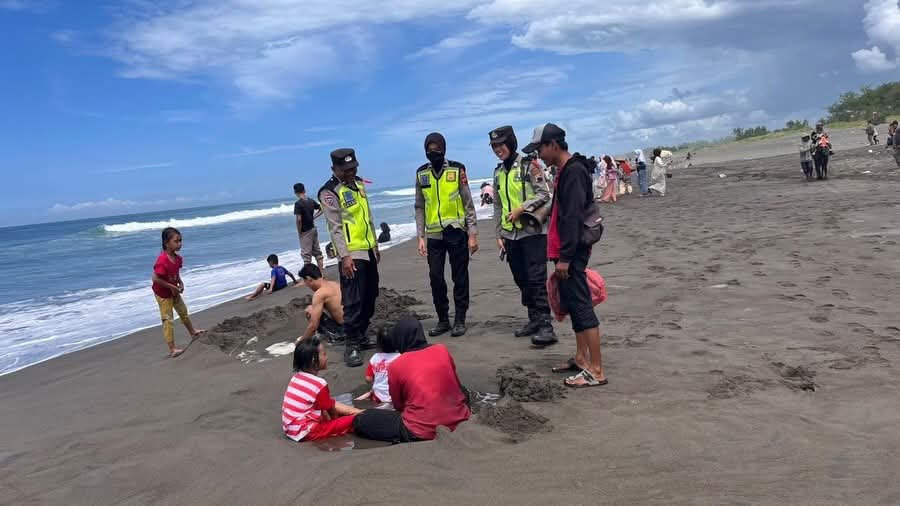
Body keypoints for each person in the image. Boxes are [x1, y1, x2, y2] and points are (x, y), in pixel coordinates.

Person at [523, 123, 606, 387]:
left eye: (540, 149)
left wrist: (566, 258)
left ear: (554, 145)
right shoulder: (565, 171)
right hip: (565, 251)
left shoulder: (573, 172)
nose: (538, 155)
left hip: (571, 252)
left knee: (581, 307)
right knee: (572, 305)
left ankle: (596, 370)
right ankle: (582, 359)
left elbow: (572, 218)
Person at [488, 125, 556, 346]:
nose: (498, 149)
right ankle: (533, 319)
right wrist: (498, 233)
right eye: (494, 146)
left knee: (536, 279)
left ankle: (546, 325)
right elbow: (497, 205)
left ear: (511, 143)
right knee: (521, 279)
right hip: (510, 236)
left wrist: (522, 209)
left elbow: (544, 193)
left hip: (532, 231)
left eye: (501, 145)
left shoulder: (529, 165)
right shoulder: (498, 172)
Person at [352, 318, 470, 442]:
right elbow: (456, 386)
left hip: (419, 430)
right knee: (463, 390)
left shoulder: (396, 365)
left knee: (361, 420)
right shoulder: (442, 349)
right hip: (459, 421)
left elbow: (398, 405)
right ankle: (456, 416)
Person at [319, 148, 381, 367]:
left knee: (370, 295)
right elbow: (335, 228)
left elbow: (367, 216)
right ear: (334, 169)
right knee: (353, 301)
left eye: (353, 168)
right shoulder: (329, 192)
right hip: (351, 254)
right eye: (345, 170)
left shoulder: (359, 184)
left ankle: (362, 334)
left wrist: (375, 244)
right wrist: (344, 257)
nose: (350, 172)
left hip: (367, 248)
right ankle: (352, 344)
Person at [414, 132, 478, 337]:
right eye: (429, 150)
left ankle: (460, 319)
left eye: (437, 149)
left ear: (444, 148)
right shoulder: (421, 174)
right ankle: (443, 319)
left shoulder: (457, 169)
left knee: (459, 276)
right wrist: (420, 236)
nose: (433, 153)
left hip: (457, 231)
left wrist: (473, 233)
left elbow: (468, 203)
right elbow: (419, 206)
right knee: (435, 277)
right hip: (433, 235)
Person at [281, 336, 363, 442]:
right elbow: (330, 409)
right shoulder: (319, 384)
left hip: (290, 428)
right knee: (353, 420)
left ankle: (356, 412)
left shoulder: (296, 378)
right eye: (324, 354)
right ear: (314, 360)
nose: (327, 357)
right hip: (306, 431)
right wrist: (337, 422)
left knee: (328, 406)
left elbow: (325, 405)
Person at [151, 227, 206, 358]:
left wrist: (180, 283)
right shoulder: (162, 260)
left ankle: (193, 332)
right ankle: (172, 349)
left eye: (180, 241)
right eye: (176, 241)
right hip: (163, 294)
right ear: (166, 243)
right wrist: (171, 286)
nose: (180, 244)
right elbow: (155, 278)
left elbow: (175, 273)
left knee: (183, 312)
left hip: (173, 291)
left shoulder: (177, 258)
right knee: (168, 320)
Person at [297, 264, 346, 342]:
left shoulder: (319, 293)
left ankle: (334, 336)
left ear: (309, 279)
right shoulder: (334, 284)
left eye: (306, 283)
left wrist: (302, 340)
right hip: (354, 322)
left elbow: (313, 325)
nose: (307, 286)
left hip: (345, 330)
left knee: (310, 310)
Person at [354, 327, 401, 404]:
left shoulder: (375, 358)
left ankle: (370, 395)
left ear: (378, 343)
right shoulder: (400, 357)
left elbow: (368, 379)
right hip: (395, 396)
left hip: (378, 395)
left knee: (374, 391)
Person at [293, 183, 324, 273]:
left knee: (306, 255)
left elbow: (299, 220)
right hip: (313, 228)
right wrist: (314, 217)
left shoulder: (298, 204)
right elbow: (322, 208)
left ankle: (308, 276)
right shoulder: (310, 201)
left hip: (305, 231)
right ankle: (321, 273)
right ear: (304, 190)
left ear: (295, 192)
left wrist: (299, 232)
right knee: (317, 252)